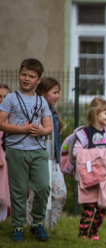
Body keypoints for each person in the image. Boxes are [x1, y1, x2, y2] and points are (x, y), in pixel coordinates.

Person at [0, 60, 53, 242]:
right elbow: (1, 122)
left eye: (31, 76)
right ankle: (17, 226)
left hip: (38, 150)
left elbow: (49, 127)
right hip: (16, 150)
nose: (26, 78)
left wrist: (41, 131)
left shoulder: (42, 101)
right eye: (24, 74)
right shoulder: (10, 98)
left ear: (38, 80)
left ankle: (37, 223)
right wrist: (21, 129)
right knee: (19, 190)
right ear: (19, 75)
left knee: (43, 186)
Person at [72, 97, 106, 240]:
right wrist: (98, 155)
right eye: (105, 113)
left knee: (103, 206)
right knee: (90, 205)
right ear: (94, 114)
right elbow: (77, 152)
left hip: (104, 174)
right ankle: (83, 234)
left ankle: (93, 233)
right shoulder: (84, 133)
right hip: (89, 174)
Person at [25, 78, 66, 228]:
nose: (57, 96)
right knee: (35, 195)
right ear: (42, 94)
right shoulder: (34, 111)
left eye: (58, 92)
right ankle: (31, 225)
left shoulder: (53, 113)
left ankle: (50, 226)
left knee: (60, 192)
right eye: (54, 92)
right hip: (37, 160)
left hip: (53, 161)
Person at [0, 84, 13, 221]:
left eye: (5, 97)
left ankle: (2, 220)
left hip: (6, 156)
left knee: (4, 189)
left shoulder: (11, 118)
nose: (2, 99)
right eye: (0, 96)